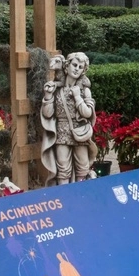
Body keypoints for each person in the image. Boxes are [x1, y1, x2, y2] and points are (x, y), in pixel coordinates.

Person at [40, 52, 97, 185]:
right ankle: (64, 196)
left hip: (79, 132)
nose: (77, 68)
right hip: (62, 132)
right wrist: (48, 96)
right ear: (67, 66)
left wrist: (78, 97)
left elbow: (88, 113)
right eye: (74, 65)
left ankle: (82, 195)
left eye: (80, 67)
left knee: (82, 168)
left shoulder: (84, 90)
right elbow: (48, 114)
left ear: (84, 70)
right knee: (63, 169)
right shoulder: (56, 89)